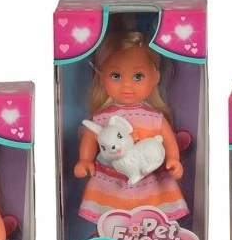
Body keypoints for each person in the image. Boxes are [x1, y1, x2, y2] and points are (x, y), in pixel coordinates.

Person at [74, 31, 189, 223]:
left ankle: (149, 237)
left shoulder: (154, 117)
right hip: (111, 182)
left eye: (138, 76)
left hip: (150, 180)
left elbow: (168, 139)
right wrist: (85, 160)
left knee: (151, 219)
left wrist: (173, 159)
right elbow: (91, 137)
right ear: (101, 78)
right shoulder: (103, 117)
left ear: (155, 78)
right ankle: (112, 237)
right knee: (112, 220)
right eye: (116, 76)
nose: (127, 85)